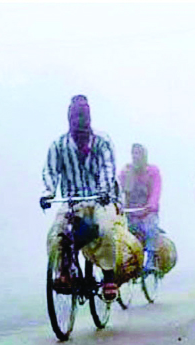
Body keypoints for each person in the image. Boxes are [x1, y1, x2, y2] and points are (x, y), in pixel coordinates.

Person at [40, 95, 122, 300]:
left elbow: (108, 168)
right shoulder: (59, 146)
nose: (79, 121)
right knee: (56, 235)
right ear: (69, 119)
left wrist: (104, 191)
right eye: (75, 117)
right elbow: (50, 172)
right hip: (71, 202)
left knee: (105, 229)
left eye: (83, 116)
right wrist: (47, 193)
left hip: (98, 201)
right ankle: (64, 271)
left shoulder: (102, 143)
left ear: (90, 118)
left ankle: (109, 275)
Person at [119, 143, 162, 270]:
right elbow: (118, 189)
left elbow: (156, 191)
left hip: (147, 211)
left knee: (150, 229)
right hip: (130, 212)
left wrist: (151, 206)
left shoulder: (152, 172)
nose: (136, 157)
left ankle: (150, 260)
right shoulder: (126, 172)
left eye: (139, 153)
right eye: (134, 153)